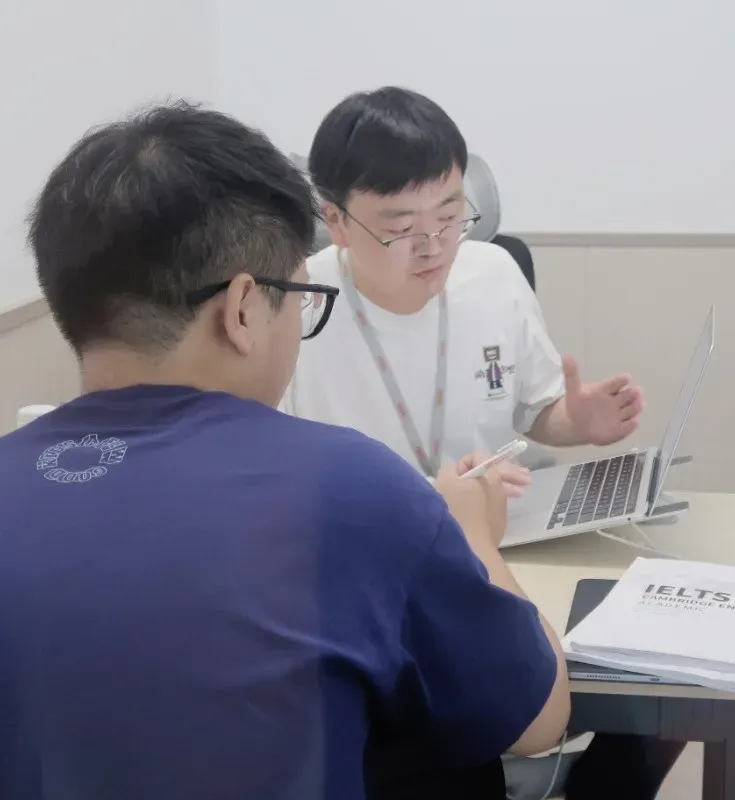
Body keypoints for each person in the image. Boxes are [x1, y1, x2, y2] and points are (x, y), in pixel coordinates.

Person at [0, 101, 570, 800]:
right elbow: (537, 721)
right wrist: (472, 533)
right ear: (243, 309)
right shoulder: (354, 490)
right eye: (299, 296)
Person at [283, 86, 684, 799]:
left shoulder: (493, 274)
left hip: (497, 554)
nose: (434, 245)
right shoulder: (294, 305)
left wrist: (574, 420)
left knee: (647, 696)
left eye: (449, 215)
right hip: (367, 585)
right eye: (400, 227)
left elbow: (537, 413)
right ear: (335, 220)